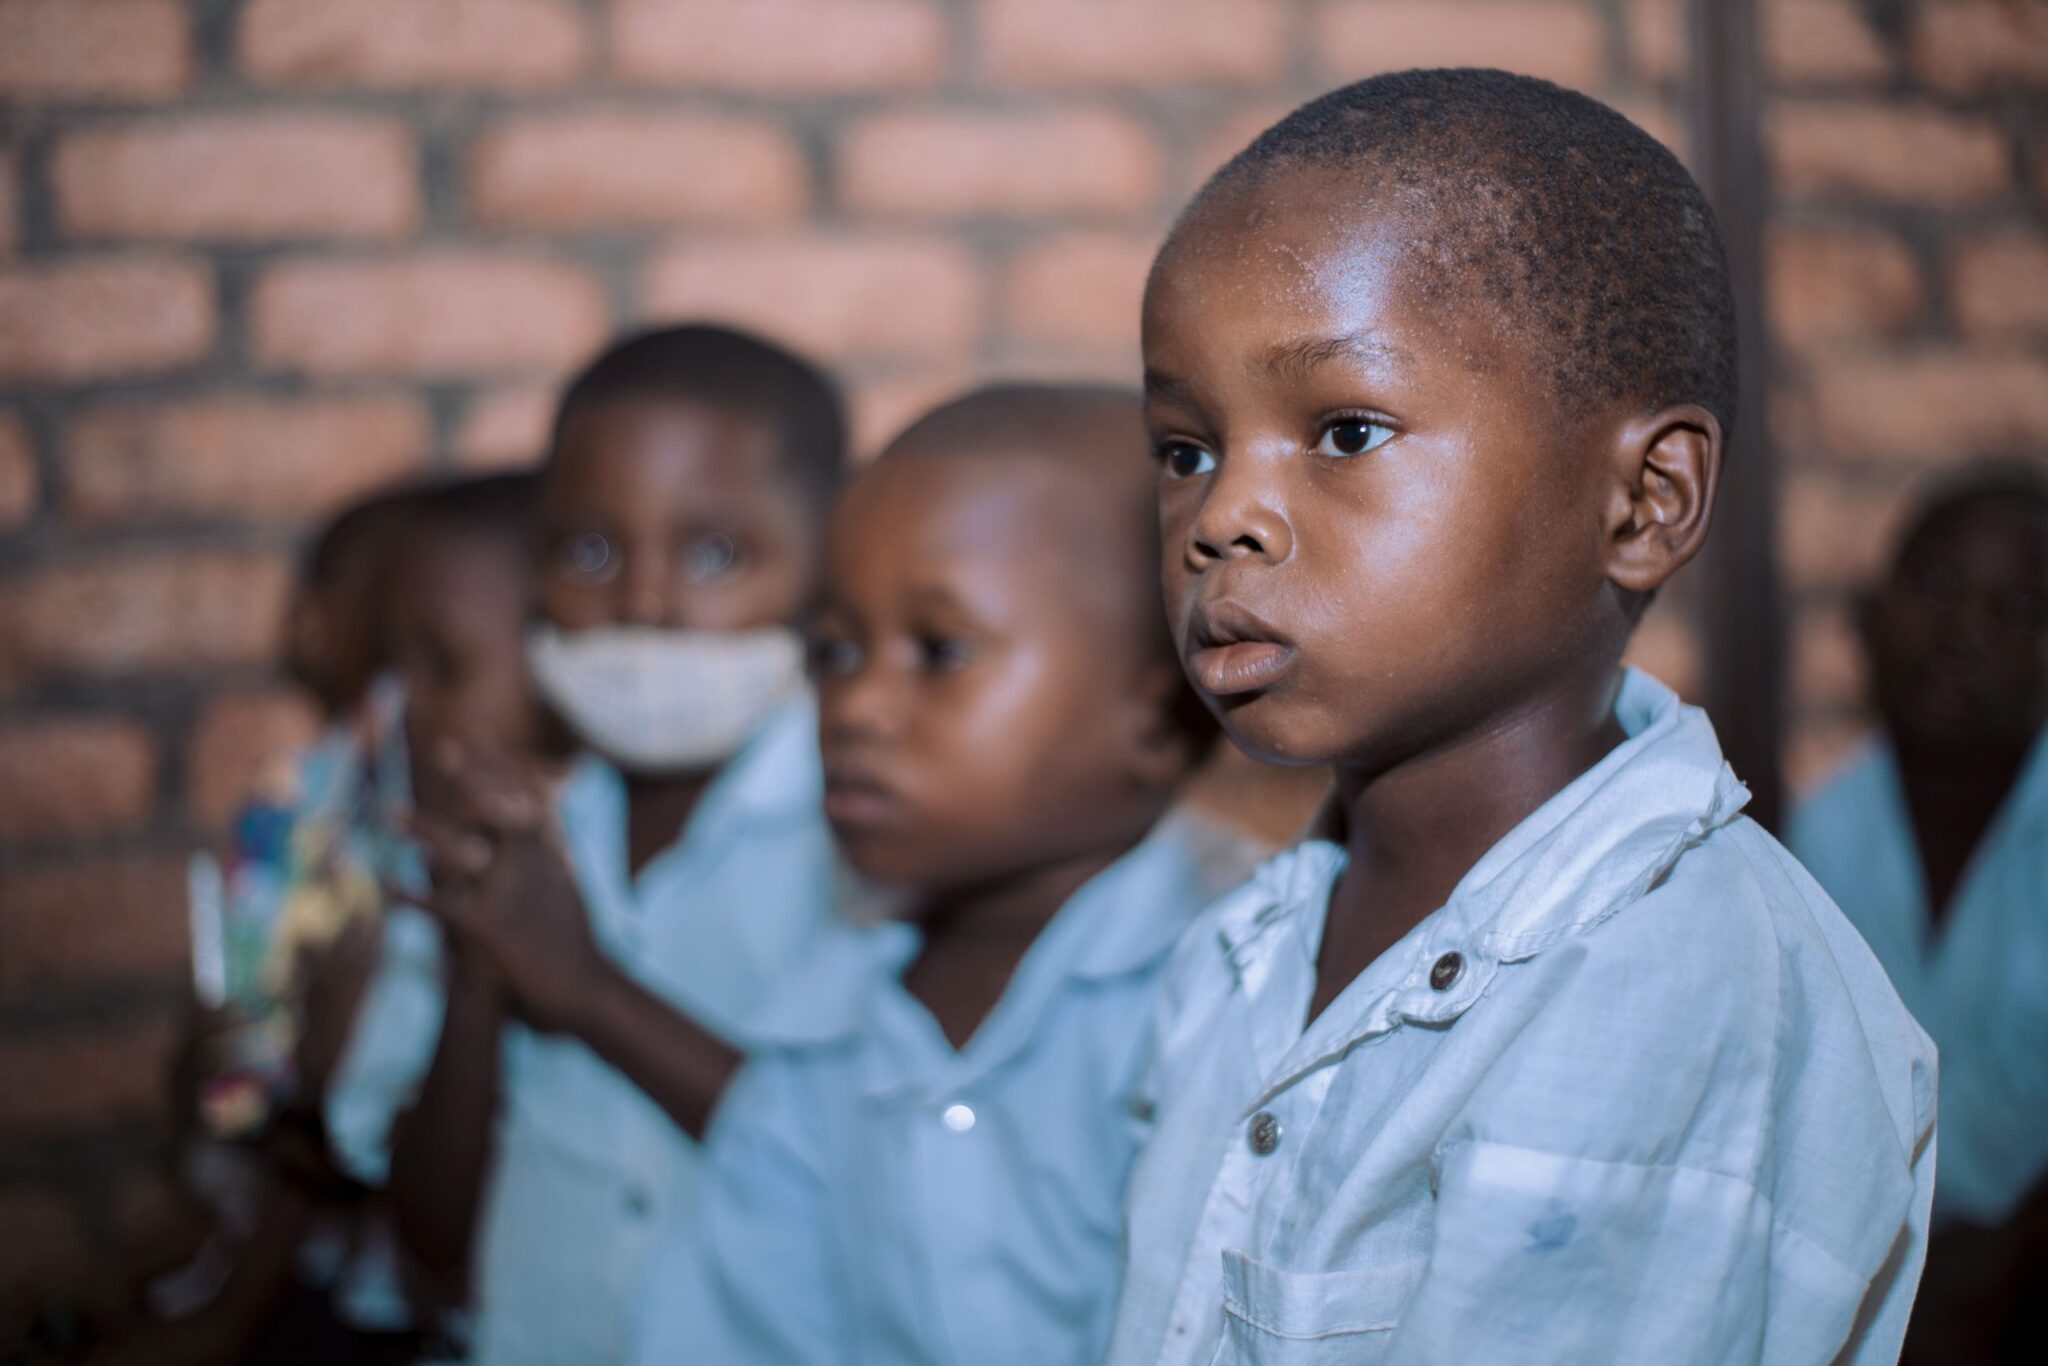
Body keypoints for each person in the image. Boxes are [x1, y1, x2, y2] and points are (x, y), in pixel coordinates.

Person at [1102, 69, 1936, 1365]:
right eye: (1185, 449)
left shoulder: (1657, 984)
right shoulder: (1247, 947)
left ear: (1646, 501)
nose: (1222, 516)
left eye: (1346, 429)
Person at [631, 385, 1264, 1365]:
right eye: (834, 652)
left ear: (1154, 713)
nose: (856, 709)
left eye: (939, 651)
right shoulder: (821, 1029)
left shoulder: (1237, 990)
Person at [326, 323, 848, 1365]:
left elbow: (868, 1171)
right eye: (590, 550)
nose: (644, 602)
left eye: (714, 553)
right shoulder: (502, 839)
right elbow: (430, 1246)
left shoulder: (872, 841)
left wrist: (587, 990)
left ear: (827, 566)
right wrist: (483, 974)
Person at [1789, 466, 2048, 1365]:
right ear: (1866, 616)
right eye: (1937, 588)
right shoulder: (1809, 837)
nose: (1965, 634)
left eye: (2019, 609)